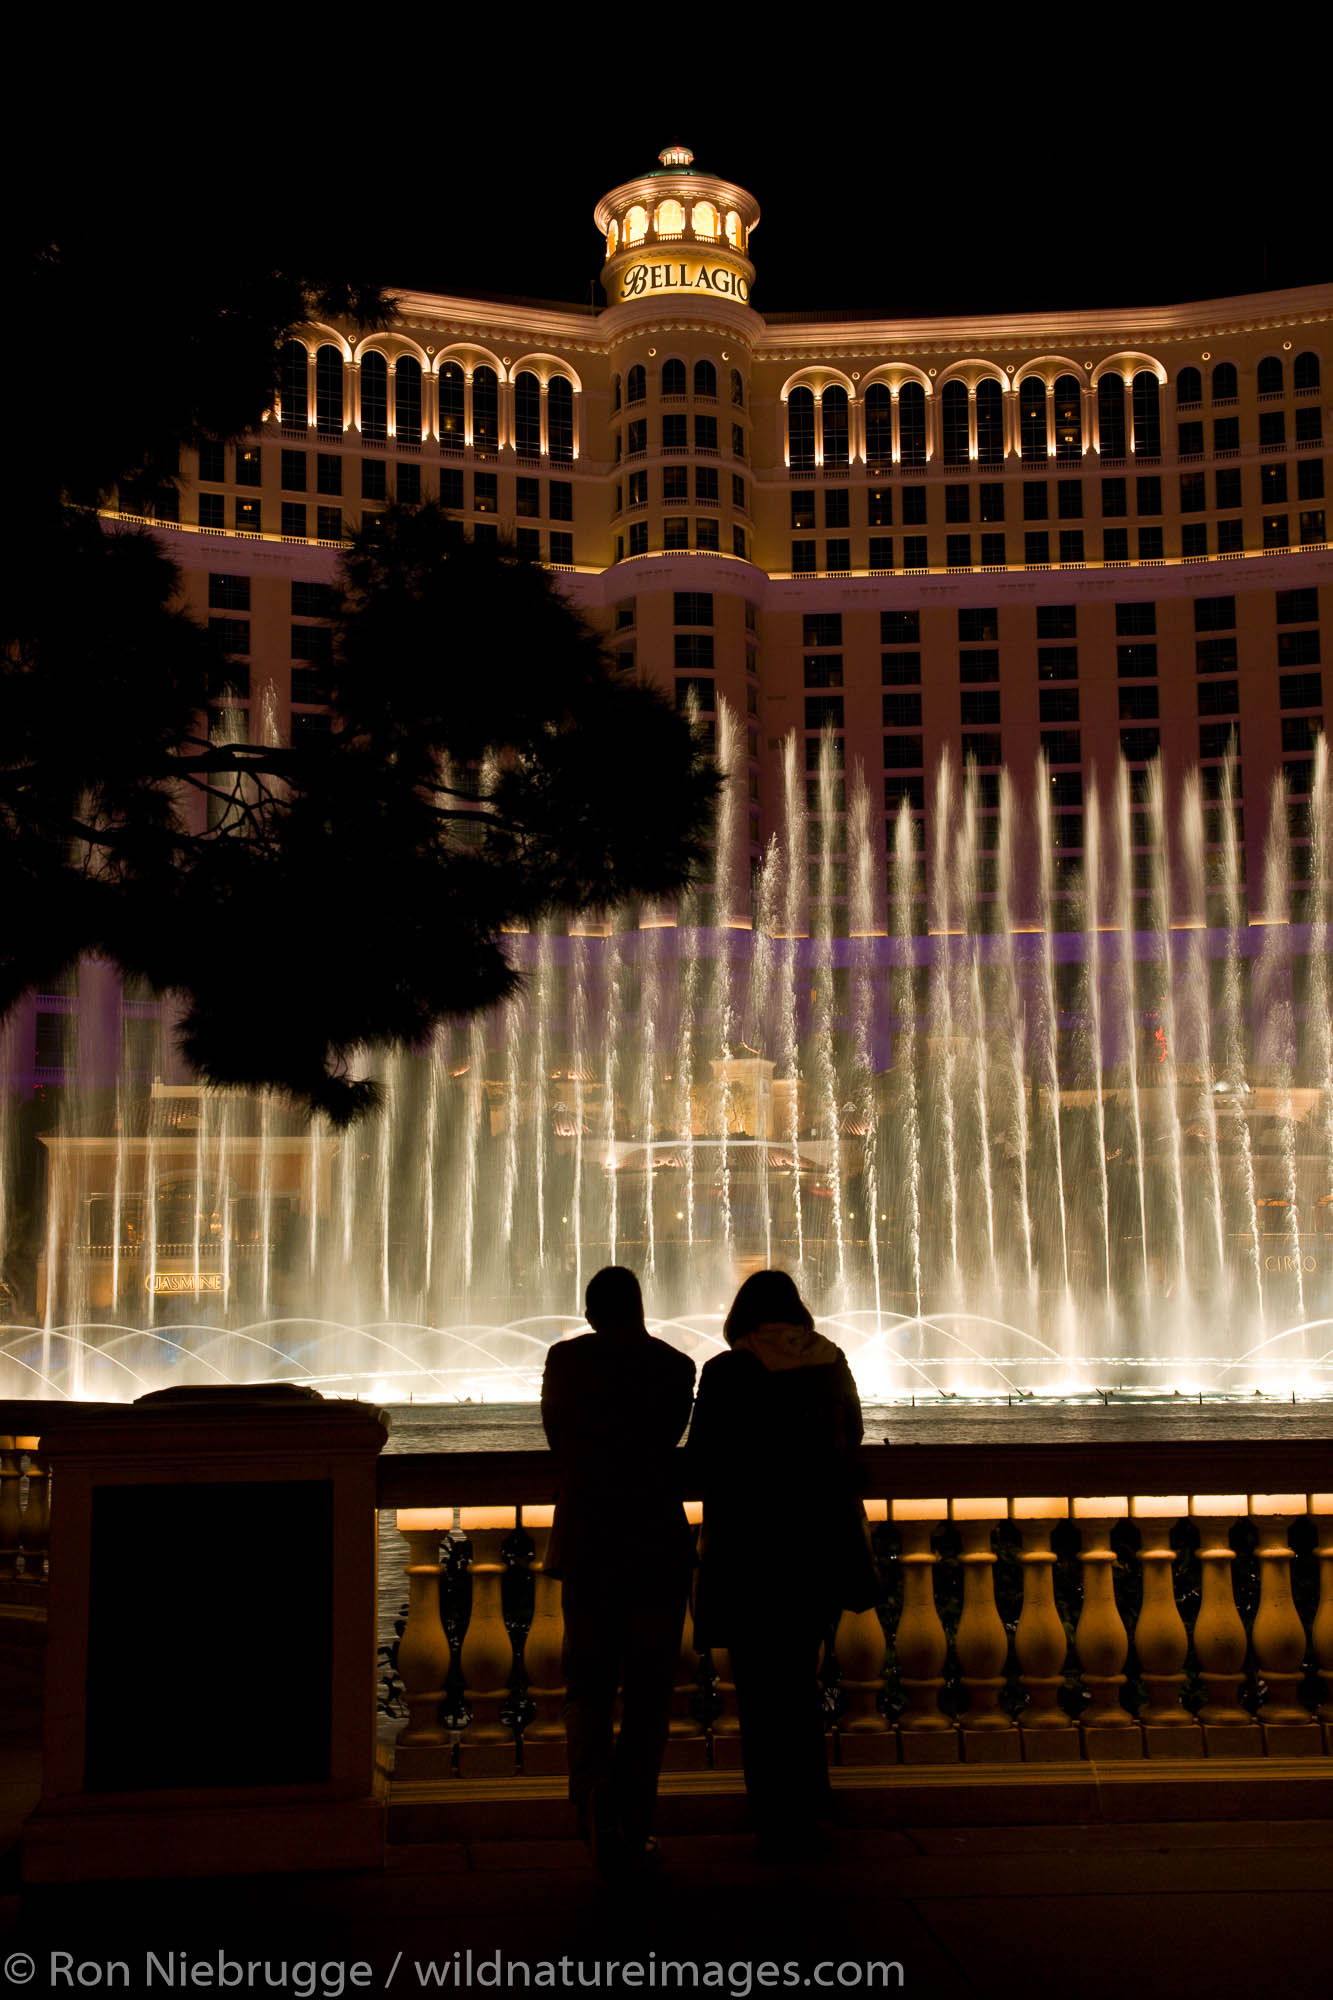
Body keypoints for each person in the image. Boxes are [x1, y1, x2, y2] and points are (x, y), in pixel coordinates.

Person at [688, 1268, 876, 1861]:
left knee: (759, 1690)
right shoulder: (832, 1363)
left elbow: (699, 1462)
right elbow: (854, 1439)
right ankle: (809, 1804)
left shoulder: (727, 1371)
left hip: (750, 1549)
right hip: (817, 1546)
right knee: (800, 1679)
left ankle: (772, 1814)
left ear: (741, 1316)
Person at [540, 1265, 696, 1875]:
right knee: (651, 1691)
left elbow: (559, 1439)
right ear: (639, 1307)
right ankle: (637, 1822)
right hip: (656, 1539)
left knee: (589, 1684)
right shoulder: (677, 1366)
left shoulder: (566, 1361)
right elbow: (667, 1442)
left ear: (590, 1312)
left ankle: (595, 1802)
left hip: (588, 1537)